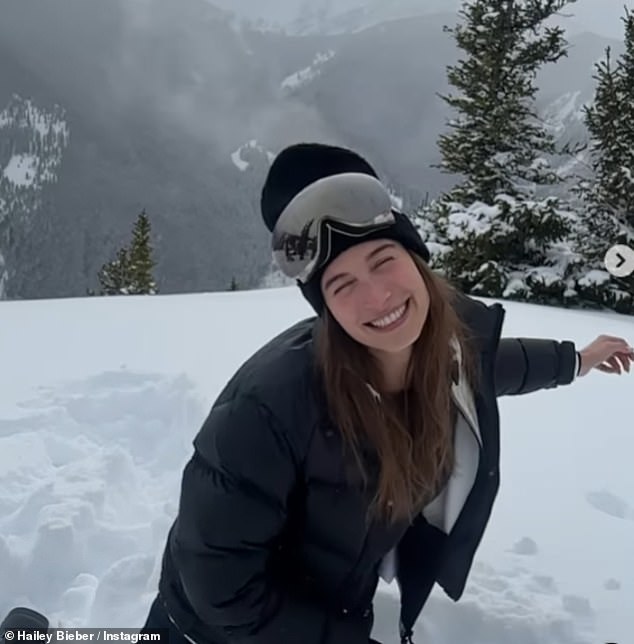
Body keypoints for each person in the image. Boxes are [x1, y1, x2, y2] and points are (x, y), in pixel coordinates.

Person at [140, 143, 633, 644]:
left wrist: (577, 359)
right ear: (326, 307)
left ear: (416, 259)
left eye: (383, 260)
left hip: (329, 614)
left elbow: (489, 366)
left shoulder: (442, 353)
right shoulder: (267, 411)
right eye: (342, 284)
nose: (377, 297)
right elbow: (221, 592)